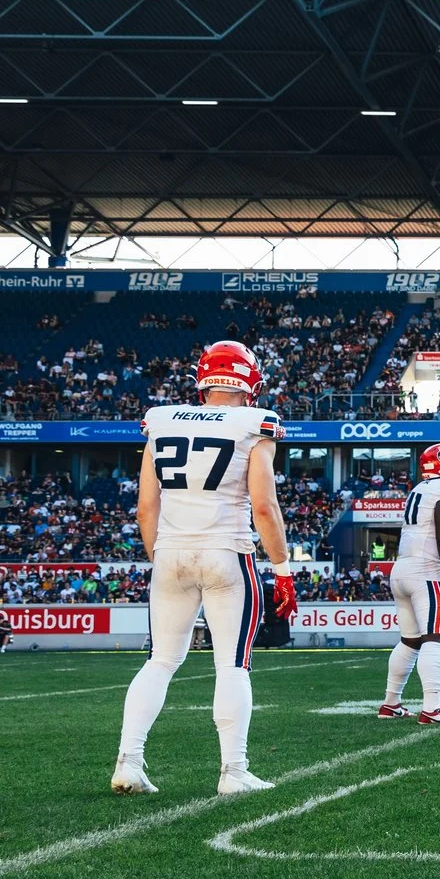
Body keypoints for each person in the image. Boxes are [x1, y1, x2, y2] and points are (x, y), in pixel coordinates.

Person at [112, 339, 295, 797]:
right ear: (250, 380)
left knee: (160, 662)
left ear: (204, 378)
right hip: (226, 553)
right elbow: (264, 507)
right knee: (232, 666)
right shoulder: (255, 421)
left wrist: (163, 558)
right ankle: (234, 771)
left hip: (171, 550)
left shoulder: (160, 419)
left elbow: (145, 507)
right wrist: (283, 567)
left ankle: (128, 762)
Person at [377, 443, 440, 725]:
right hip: (428, 571)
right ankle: (432, 708)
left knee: (410, 640)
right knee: (435, 638)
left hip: (403, 567)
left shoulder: (418, 490)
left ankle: (391, 703)